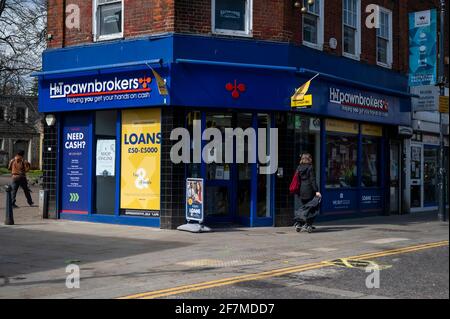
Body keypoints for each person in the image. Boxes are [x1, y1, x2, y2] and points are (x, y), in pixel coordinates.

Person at [295, 153, 321, 232]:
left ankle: (299, 224)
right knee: (312, 208)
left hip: (301, 190)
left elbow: (298, 180)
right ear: (309, 159)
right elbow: (312, 180)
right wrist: (317, 191)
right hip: (309, 190)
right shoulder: (310, 167)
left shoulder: (299, 167)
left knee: (304, 208)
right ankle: (308, 224)